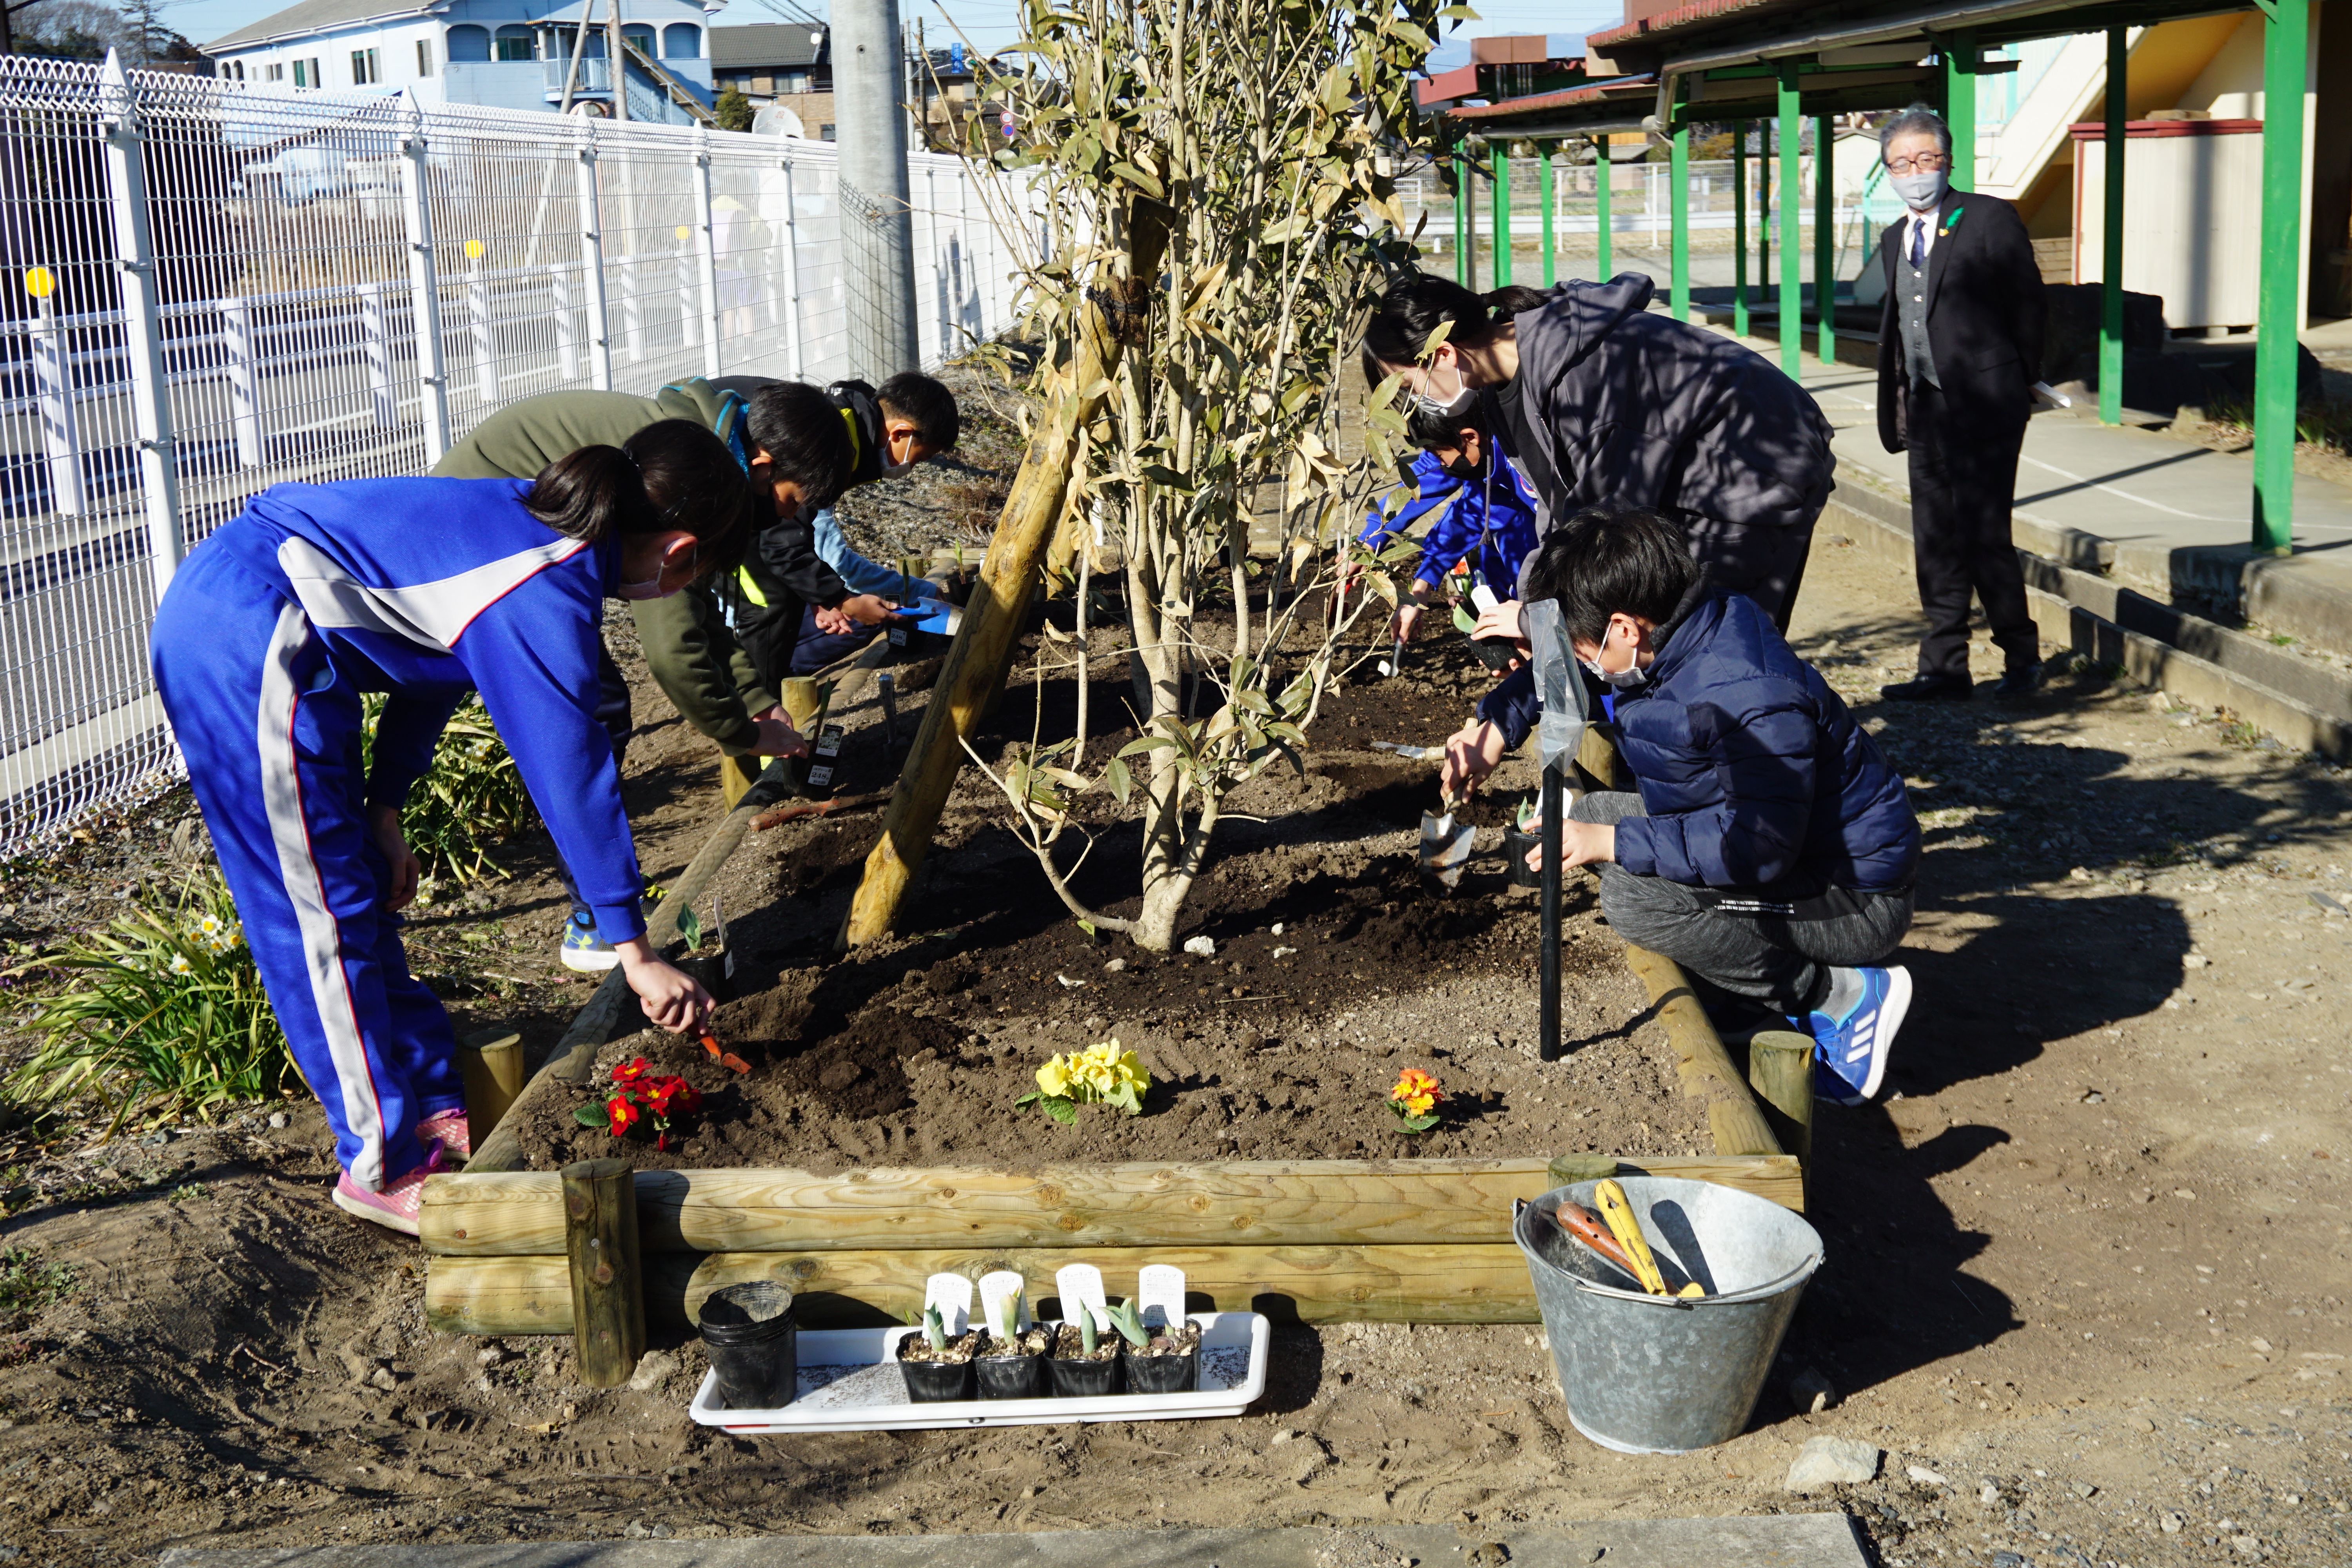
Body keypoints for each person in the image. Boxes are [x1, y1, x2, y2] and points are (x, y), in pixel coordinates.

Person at [151, 422, 737, 1234]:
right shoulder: (546, 580)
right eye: (695, 576)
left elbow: (431, 660)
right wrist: (634, 951)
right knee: (315, 913)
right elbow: (572, 773)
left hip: (278, 628)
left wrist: (384, 810)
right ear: (677, 552)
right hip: (243, 634)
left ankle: (425, 1097)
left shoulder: (539, 531)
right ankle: (379, 1161)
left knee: (353, 887)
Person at [433, 377, 867, 972]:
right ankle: (596, 922)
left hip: (524, 530)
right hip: (476, 528)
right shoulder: (680, 481)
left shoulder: (711, 453)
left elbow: (691, 604)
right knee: (590, 710)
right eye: (792, 502)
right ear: (764, 469)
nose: (785, 518)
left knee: (599, 704)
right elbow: (674, 648)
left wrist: (756, 699)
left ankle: (601, 903)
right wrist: (740, 733)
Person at [1516, 508, 1922, 1104]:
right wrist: (1508, 727)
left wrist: (1615, 846)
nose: (1583, 663)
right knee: (1595, 816)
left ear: (1625, 629)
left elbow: (1756, 848)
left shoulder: (1745, 696)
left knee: (1633, 897)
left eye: (1584, 649)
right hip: (1801, 855)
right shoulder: (1687, 632)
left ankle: (1837, 995)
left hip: (1852, 896)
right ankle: (1745, 987)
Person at [1362, 276, 1835, 634]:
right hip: (1677, 475)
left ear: (1443, 355)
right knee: (1640, 632)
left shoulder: (1584, 377)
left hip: (1755, 469)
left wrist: (1537, 620)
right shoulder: (1502, 391)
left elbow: (1611, 526)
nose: (1416, 403)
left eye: (1409, 386)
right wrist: (1535, 606)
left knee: (1707, 640)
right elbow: (1556, 506)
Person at [1870, 103, 2049, 703]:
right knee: (1934, 537)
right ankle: (1944, 666)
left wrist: (2021, 379)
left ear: (1947, 161)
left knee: (1983, 534)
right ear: (1888, 171)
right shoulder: (1895, 236)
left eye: (1926, 158)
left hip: (1986, 405)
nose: (1915, 170)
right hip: (1924, 407)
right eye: (1901, 162)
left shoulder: (1989, 219)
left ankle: (2021, 660)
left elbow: (2029, 307)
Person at [715, 373, 963, 684]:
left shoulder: (853, 425)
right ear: (901, 433)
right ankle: (758, 715)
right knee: (769, 604)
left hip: (748, 496)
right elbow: (784, 545)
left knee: (785, 597)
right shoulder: (837, 444)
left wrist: (825, 597)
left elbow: (797, 538)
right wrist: (842, 600)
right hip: (724, 493)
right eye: (920, 457)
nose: (912, 469)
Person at [1357, 399, 1541, 653]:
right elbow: (1474, 512)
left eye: (1441, 457)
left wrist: (1533, 621)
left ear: (1470, 438)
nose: (1441, 467)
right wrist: (1421, 585)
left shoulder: (1528, 464)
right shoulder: (1484, 458)